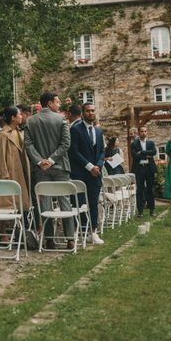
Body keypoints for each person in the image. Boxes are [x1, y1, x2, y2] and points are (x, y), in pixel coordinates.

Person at [25, 91, 75, 249]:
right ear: (49, 103)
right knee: (64, 201)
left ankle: (49, 239)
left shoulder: (30, 121)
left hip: (41, 170)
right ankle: (69, 239)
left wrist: (40, 161)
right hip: (60, 166)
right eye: (57, 102)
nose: (59, 105)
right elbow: (66, 143)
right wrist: (52, 160)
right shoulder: (61, 119)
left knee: (45, 203)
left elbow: (28, 144)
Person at [68, 103, 105, 245]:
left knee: (94, 203)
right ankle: (81, 231)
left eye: (93, 111)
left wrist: (99, 166)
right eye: (88, 111)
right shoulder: (76, 130)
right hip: (81, 173)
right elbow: (74, 152)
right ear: (83, 113)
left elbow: (101, 151)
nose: (91, 113)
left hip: (96, 173)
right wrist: (90, 167)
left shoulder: (98, 131)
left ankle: (93, 232)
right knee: (80, 203)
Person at [0, 106, 31, 217]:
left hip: (21, 169)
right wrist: (4, 175)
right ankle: (5, 230)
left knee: (21, 201)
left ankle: (19, 227)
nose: (21, 116)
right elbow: (2, 156)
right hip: (10, 172)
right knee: (7, 202)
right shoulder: (3, 134)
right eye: (19, 114)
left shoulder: (18, 131)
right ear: (13, 117)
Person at [130, 125, 157, 217]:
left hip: (149, 168)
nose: (143, 133)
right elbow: (134, 155)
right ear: (138, 132)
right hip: (139, 168)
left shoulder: (151, 143)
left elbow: (154, 152)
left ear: (147, 132)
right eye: (141, 131)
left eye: (145, 131)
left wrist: (141, 152)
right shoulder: (134, 144)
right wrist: (147, 154)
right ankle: (140, 211)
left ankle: (152, 210)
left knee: (151, 189)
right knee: (139, 190)